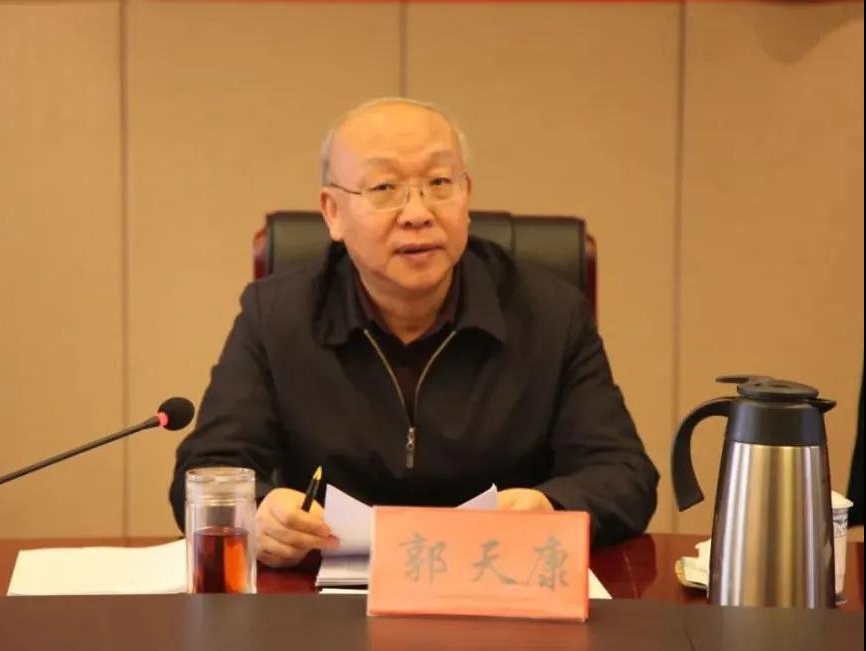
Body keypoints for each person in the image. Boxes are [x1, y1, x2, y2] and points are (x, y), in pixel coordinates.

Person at [170, 98, 659, 567]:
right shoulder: (277, 316)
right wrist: (259, 512)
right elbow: (206, 470)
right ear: (333, 212)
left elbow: (624, 476)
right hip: (326, 600)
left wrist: (550, 506)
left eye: (440, 182)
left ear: (466, 197)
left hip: (499, 587)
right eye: (385, 188)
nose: (418, 213)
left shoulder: (550, 313)